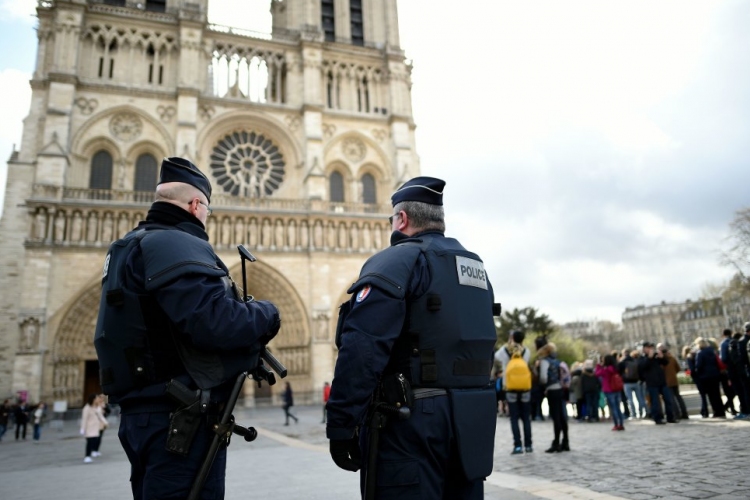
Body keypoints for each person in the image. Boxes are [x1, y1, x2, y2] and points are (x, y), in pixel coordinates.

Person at [93, 157, 281, 499]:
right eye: (207, 209)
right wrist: (267, 312)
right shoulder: (175, 243)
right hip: (178, 419)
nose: (207, 217)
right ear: (196, 205)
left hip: (143, 414)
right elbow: (214, 323)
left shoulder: (130, 245)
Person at [326, 177, 498, 499]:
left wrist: (341, 424)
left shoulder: (395, 261)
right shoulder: (475, 267)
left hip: (412, 422)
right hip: (472, 419)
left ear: (401, 219)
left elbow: (362, 348)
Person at [495, 330, 533, 454]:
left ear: (512, 338)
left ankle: (517, 445)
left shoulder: (505, 351)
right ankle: (528, 445)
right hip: (525, 387)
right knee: (526, 418)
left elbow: (496, 357)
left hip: (510, 387)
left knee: (514, 418)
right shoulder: (526, 351)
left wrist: (508, 343)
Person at [638, 342, 676, 425]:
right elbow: (642, 367)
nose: (651, 349)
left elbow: (665, 363)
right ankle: (658, 418)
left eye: (652, 347)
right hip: (651, 383)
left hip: (662, 381)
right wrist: (649, 358)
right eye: (648, 347)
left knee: (668, 400)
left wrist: (662, 357)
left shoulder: (656, 357)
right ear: (644, 349)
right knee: (655, 402)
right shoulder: (642, 358)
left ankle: (671, 417)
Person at [693, 338, 725, 418]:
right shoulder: (712, 351)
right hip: (715, 375)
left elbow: (698, 366)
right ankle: (721, 411)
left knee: (711, 395)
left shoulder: (700, 353)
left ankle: (716, 411)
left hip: (706, 377)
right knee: (717, 394)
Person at [659, 343, 688, 420]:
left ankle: (677, 414)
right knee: (678, 397)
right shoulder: (672, 358)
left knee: (671, 399)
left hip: (667, 382)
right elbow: (678, 368)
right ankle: (684, 413)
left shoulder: (661, 361)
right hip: (674, 380)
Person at [596, 355, 625, 431]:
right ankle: (621, 424)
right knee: (618, 407)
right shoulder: (615, 368)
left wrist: (599, 365)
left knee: (613, 408)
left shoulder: (606, 369)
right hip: (617, 389)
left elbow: (597, 373)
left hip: (609, 390)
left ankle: (616, 424)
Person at [81, 393, 108, 463]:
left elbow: (101, 416)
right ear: (93, 399)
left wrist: (105, 422)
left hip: (95, 427)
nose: (97, 400)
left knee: (95, 440)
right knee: (89, 442)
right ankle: (87, 456)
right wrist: (82, 428)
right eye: (96, 398)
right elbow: (84, 419)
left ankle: (93, 452)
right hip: (89, 427)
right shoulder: (87, 408)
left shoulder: (96, 407)